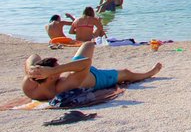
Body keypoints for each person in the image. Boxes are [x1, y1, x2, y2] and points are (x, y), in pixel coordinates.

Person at [22, 41, 162, 101]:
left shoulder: (30, 85)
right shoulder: (65, 84)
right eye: (56, 72)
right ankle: (149, 73)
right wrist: (57, 70)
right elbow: (87, 64)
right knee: (125, 73)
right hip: (94, 76)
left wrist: (31, 69)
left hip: (77, 67)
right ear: (51, 77)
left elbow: (33, 56)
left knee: (88, 44)